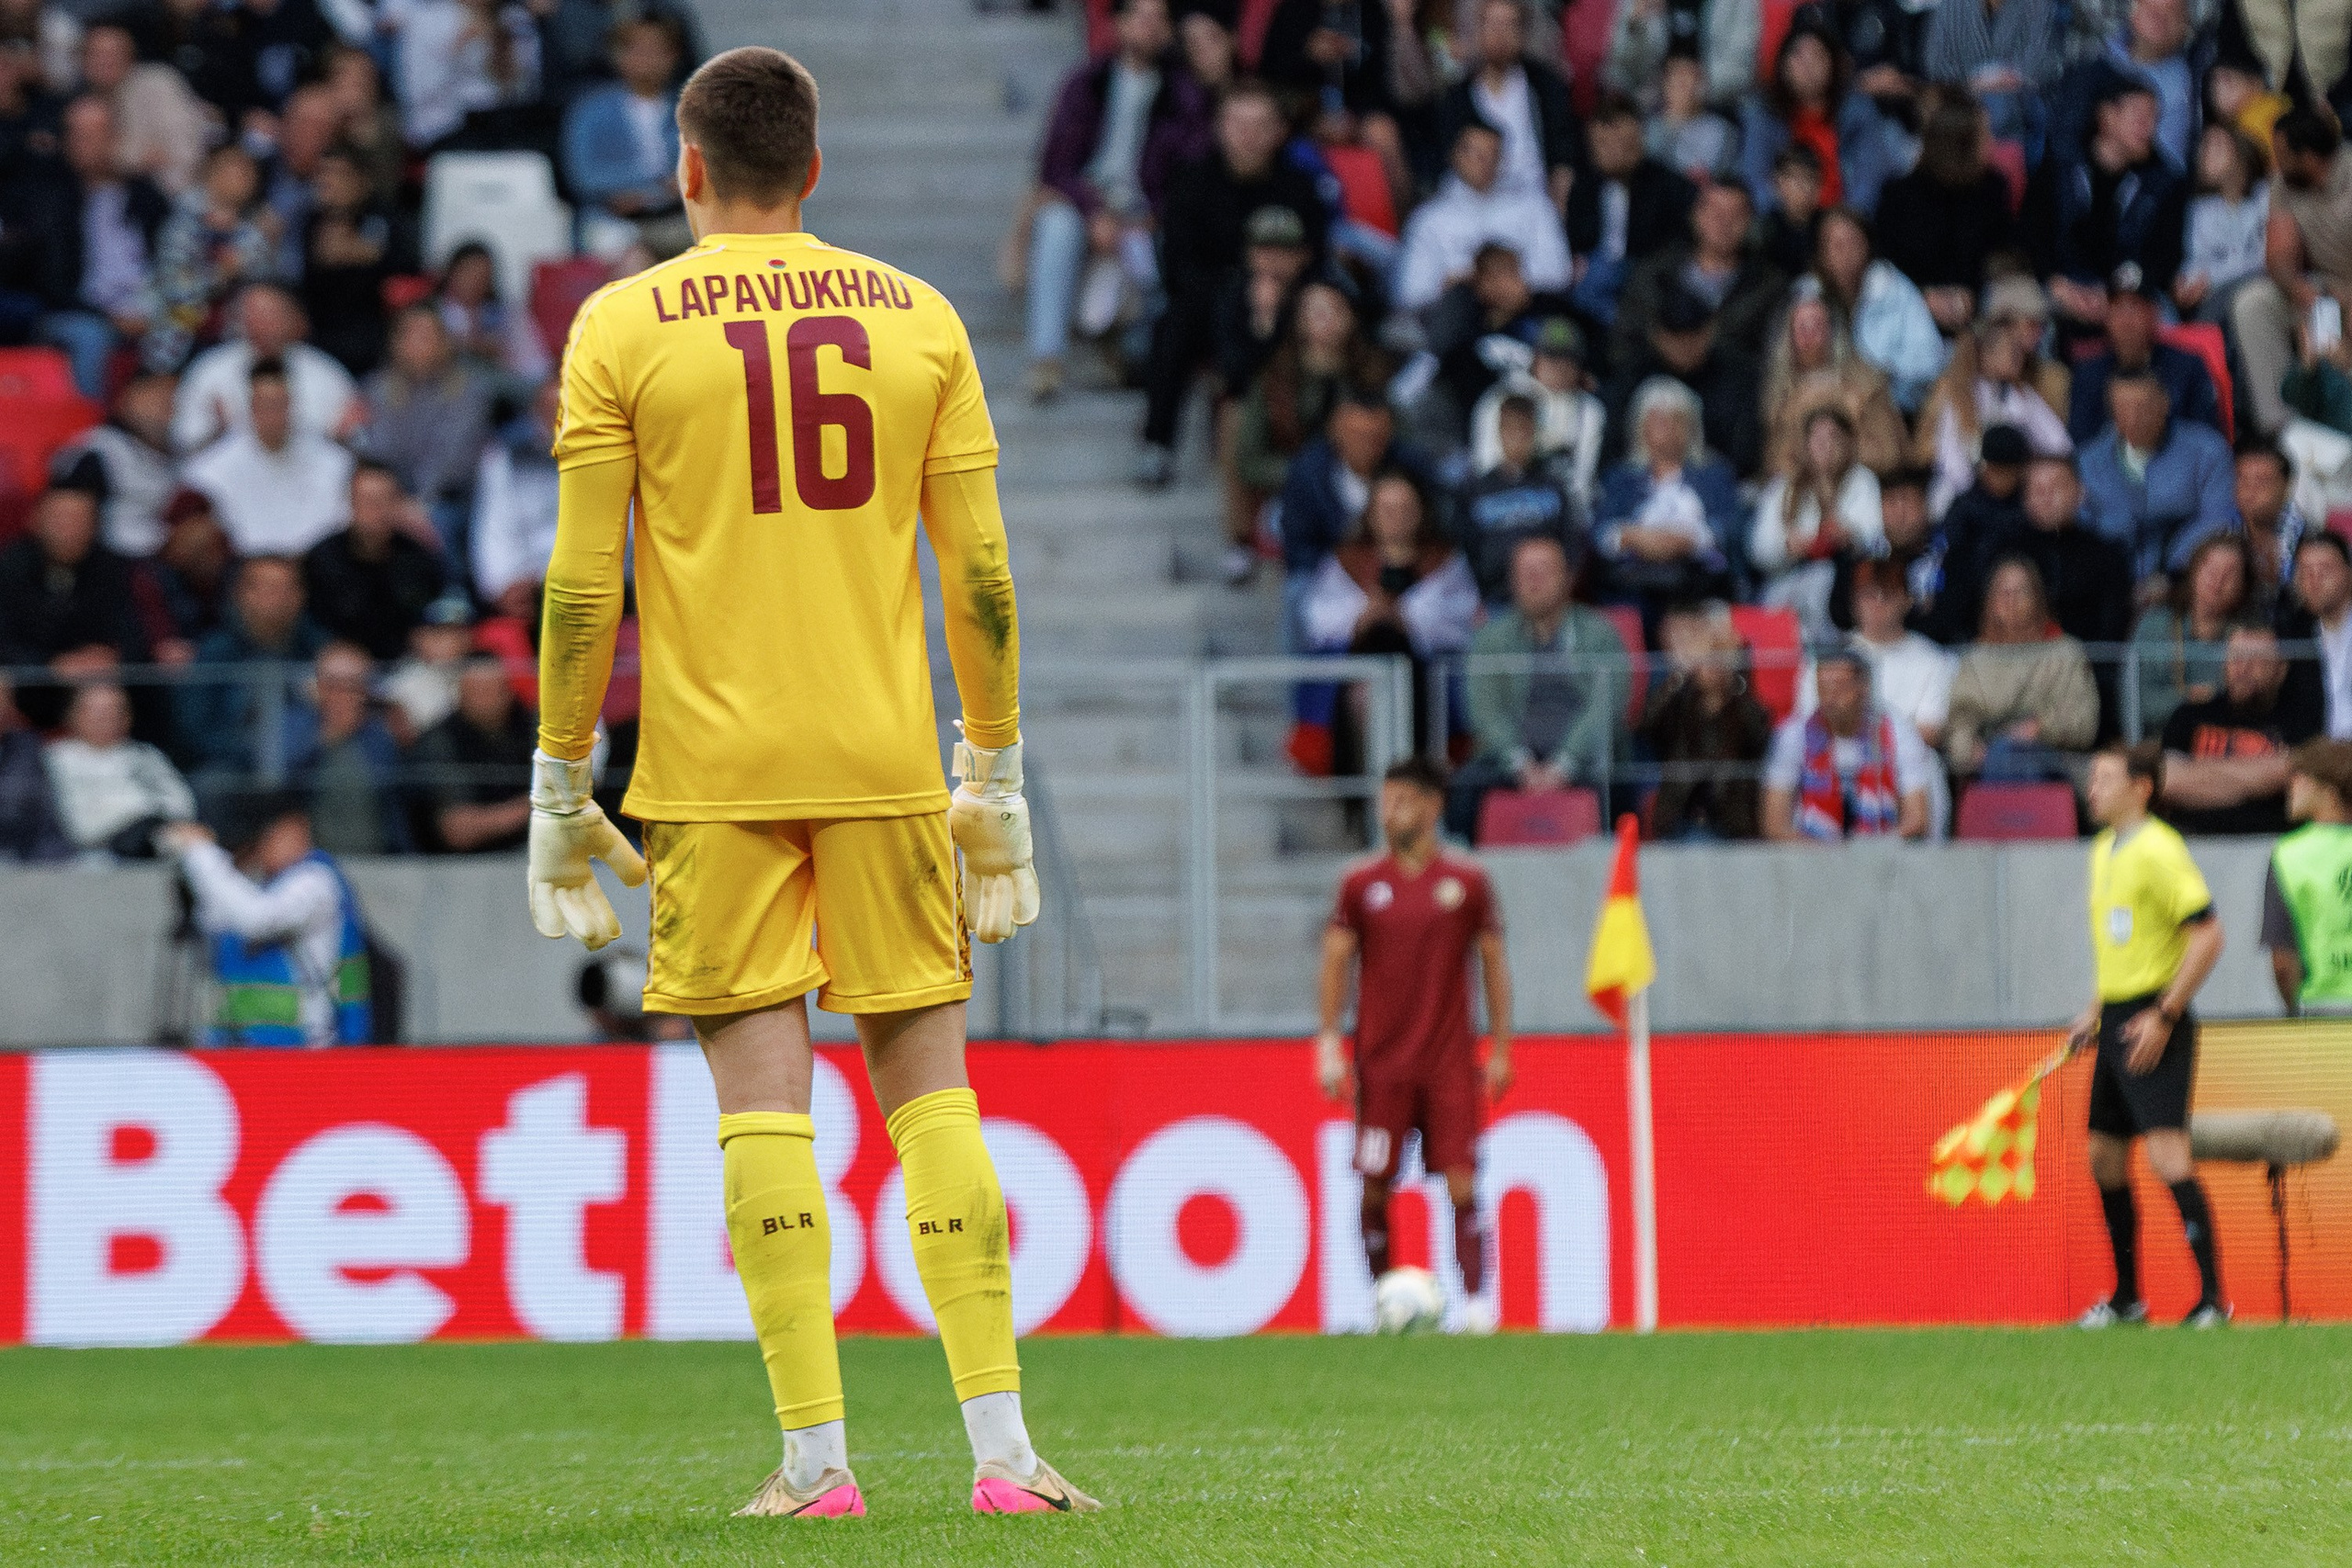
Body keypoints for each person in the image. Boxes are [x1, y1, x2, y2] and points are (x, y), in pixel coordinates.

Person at [526, 47, 1090, 1517]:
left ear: (688, 167)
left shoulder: (620, 327)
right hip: (886, 760)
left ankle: (816, 1461)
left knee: (762, 1110)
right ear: (816, 168)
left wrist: (556, 780)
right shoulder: (918, 318)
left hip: (712, 778)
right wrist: (999, 765)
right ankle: (1005, 1454)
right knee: (931, 1092)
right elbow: (977, 567)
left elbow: (584, 586)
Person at [1317, 755, 1512, 1335]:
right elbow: (1335, 960)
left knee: (1462, 1181)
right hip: (1382, 1065)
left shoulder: (1468, 883)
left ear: (1432, 807)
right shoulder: (1360, 885)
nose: (1388, 811)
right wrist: (1329, 1042)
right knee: (1374, 1185)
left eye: (1401, 800)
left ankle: (1477, 1307)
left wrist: (1500, 1046)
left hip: (1449, 1063)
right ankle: (1383, 1301)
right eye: (1384, 800)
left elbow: (1493, 962)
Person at [2071, 740, 2230, 1329]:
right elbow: (2123, 943)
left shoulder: (2161, 849)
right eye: (2091, 779)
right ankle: (2126, 1300)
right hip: (2116, 1016)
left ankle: (2214, 1300)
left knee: (2167, 1156)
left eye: (2106, 779)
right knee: (2103, 1157)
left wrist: (2165, 1014)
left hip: (2153, 1018)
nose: (2093, 789)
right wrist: (2096, 1008)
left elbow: (2208, 935)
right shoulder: (2101, 850)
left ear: (2142, 787)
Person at [1137, 80, 1324, 486]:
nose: (1248, 136)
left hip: (1285, 304)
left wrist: (1275, 291)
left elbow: (1315, 259)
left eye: (1260, 125)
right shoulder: (1191, 181)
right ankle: (1156, 443)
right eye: (1238, 124)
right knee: (1173, 324)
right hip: (1207, 304)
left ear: (1279, 132)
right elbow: (1177, 265)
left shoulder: (1299, 187)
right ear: (1220, 127)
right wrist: (1238, 293)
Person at [1021, 0, 1205, 403]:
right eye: (1139, 16)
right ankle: (1047, 357)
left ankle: (1131, 357)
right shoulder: (1086, 82)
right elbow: (1056, 164)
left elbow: (1191, 170)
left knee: (1153, 261)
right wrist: (1094, 212)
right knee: (1054, 227)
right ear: (1118, 23)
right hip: (1087, 203)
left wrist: (1153, 216)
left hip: (1147, 215)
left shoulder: (1183, 95)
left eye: (1158, 18)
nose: (1148, 27)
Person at [161, 795, 373, 1047]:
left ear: (296, 828)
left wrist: (201, 852)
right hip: (242, 1049)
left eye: (268, 835)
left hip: (304, 1053)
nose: (261, 847)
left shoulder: (317, 881)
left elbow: (258, 919)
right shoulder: (262, 884)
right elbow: (213, 922)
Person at [1452, 535, 1628, 838]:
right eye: (1525, 573)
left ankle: (1619, 869)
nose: (1534, 581)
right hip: (1511, 757)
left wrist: (1565, 764)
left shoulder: (1599, 634)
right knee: (1466, 786)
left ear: (1568, 578)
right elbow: (1485, 712)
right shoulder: (1491, 639)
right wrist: (1519, 763)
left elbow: (1606, 705)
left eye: (1544, 571)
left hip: (1585, 755)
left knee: (1624, 780)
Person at [11, 93, 167, 399]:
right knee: (89, 336)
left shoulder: (147, 196)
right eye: (75, 133)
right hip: (79, 314)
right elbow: (52, 284)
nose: (82, 142)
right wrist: (109, 317)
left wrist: (155, 313)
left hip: (148, 310)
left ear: (115, 138)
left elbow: (172, 261)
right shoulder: (48, 199)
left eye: (93, 134)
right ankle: (93, 435)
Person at [2233, 108, 2352, 437]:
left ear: (2309, 157)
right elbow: (2279, 257)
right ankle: (2281, 429)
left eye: (2281, 154)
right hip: (2325, 289)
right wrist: (2304, 292)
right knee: (2253, 302)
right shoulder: (2283, 185)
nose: (2275, 161)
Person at [1591, 374, 1741, 619]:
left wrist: (1688, 540)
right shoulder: (1621, 478)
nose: (1667, 428)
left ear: (1691, 426)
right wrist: (1633, 537)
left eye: (1676, 419)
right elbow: (1600, 533)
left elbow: (1730, 528)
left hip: (1699, 580)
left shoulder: (1713, 473)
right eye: (1657, 419)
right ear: (1641, 425)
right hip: (1634, 582)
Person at [1947, 555, 2104, 784]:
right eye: (2003, 592)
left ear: (2038, 598)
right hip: (1989, 763)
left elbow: (2083, 722)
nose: (2011, 600)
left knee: (2013, 754)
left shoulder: (2065, 652)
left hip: (2054, 761)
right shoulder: (1975, 658)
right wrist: (1968, 750)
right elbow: (1960, 721)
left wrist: (2039, 728)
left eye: (2021, 592)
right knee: (2003, 753)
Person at [1393, 117, 1569, 313]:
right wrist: (1470, 284)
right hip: (1455, 320)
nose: (1484, 162)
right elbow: (1410, 294)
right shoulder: (1428, 220)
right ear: (1455, 155)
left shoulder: (1533, 205)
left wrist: (1504, 283)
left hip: (1527, 312)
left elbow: (1558, 273)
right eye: (1476, 153)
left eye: (1492, 154)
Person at [183, 359, 357, 558]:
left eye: (279, 404)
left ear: (291, 404)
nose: (272, 413)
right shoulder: (209, 469)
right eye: (264, 404)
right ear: (251, 406)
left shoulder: (335, 463)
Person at [2077, 371, 2238, 586]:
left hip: (2186, 577)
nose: (2132, 418)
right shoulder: (2089, 461)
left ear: (2165, 404)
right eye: (2122, 409)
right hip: (2109, 582)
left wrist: (2171, 573)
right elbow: (2082, 525)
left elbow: (2217, 518)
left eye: (2141, 408)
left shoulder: (2207, 450)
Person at [2157, 623, 2322, 834]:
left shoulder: (2300, 719)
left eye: (2256, 660)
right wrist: (2263, 776)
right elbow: (2167, 782)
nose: (2243, 668)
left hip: (2272, 840)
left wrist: (2197, 775)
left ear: (2281, 670)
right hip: (2193, 841)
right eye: (2236, 658)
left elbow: (2293, 773)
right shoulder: (2190, 715)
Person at [1874, 92, 2019, 329]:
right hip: (1912, 308)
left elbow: (2001, 250)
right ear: (1959, 143)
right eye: (1984, 135)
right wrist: (1925, 296)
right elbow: (1890, 263)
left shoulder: (1993, 187)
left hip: (1979, 304)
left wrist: (1970, 292)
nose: (1993, 142)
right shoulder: (1899, 196)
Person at [1761, 644, 1934, 840]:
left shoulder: (1896, 731)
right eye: (1823, 688)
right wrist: (1824, 857)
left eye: (1840, 687)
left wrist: (1871, 851)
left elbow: (1917, 819)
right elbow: (1774, 824)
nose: (1831, 697)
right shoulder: (1794, 735)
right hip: (1810, 856)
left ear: (1864, 688)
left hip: (1881, 856)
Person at [1612, 178, 1784, 371]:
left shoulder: (1768, 286)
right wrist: (1663, 344)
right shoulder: (1657, 271)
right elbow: (1626, 334)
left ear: (1750, 222)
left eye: (1735, 215)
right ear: (1696, 215)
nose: (1724, 223)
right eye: (1715, 212)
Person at [1737, 20, 1904, 220]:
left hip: (1843, 221)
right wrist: (1784, 215)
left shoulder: (1859, 111)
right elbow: (1753, 178)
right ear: (1783, 63)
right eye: (1798, 55)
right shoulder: (1764, 115)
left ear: (1832, 64)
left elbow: (1869, 178)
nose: (1807, 65)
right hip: (1782, 222)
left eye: (1817, 56)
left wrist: (1845, 221)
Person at [171, 283, 363, 453]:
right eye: (251, 313)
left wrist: (340, 439)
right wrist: (218, 434)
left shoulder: (326, 373)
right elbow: (184, 441)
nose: (259, 323)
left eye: (269, 314)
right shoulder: (210, 369)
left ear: (295, 319)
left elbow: (357, 443)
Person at [358, 305, 492, 547]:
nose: (419, 342)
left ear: (445, 342)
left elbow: (453, 459)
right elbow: (378, 452)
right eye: (411, 334)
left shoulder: (470, 390)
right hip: (392, 497)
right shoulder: (377, 388)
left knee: (432, 523)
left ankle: (451, 585)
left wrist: (418, 503)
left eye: (428, 334)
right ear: (395, 343)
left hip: (452, 499)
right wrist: (393, 502)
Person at [1749, 405, 1883, 638]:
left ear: (1849, 443)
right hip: (1790, 580)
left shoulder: (1863, 481)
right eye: (1818, 437)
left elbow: (1877, 540)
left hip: (1844, 582)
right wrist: (1787, 545)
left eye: (1834, 437)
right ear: (1805, 443)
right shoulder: (1783, 488)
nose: (1826, 445)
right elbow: (1759, 550)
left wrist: (1851, 536)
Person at [561, 14, 690, 257]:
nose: (646, 59)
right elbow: (583, 175)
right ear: (618, 55)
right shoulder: (591, 109)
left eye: (656, 50)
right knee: (631, 256)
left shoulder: (690, 108)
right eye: (637, 50)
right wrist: (656, 182)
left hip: (677, 216)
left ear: (673, 56)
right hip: (610, 218)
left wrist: (664, 191)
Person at [1641, 604, 1773, 840]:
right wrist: (1681, 673)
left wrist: (1737, 674)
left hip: (1732, 825)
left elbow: (1759, 735)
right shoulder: (1680, 703)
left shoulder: (1741, 704)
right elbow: (1648, 724)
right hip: (1680, 821)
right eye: (1707, 656)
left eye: (1719, 656)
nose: (1712, 664)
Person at [1916, 321, 2074, 517]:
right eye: (2012, 351)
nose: (2020, 357)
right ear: (1986, 355)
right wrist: (1979, 492)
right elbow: (1950, 460)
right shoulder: (1959, 395)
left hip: (2014, 489)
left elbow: (2058, 443)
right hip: (1963, 495)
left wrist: (2025, 471)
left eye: (2019, 351)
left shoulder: (2020, 394)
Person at [1565, 90, 1696, 326]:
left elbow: (1676, 245)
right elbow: (1574, 237)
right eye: (1603, 145)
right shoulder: (1584, 186)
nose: (1614, 153)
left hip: (1645, 272)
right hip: (1596, 275)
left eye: (1624, 144)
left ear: (1640, 139)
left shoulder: (1670, 186)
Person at [304, 461, 447, 662]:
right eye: (368, 501)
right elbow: (309, 623)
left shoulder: (418, 558)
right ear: (351, 502)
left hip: (407, 663)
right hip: (338, 665)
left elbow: (437, 612)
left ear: (398, 503)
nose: (376, 510)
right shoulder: (322, 558)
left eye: (384, 500)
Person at [1808, 209, 1946, 413]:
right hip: (1822, 407)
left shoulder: (1894, 288)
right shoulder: (1807, 296)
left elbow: (1929, 361)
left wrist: (1886, 373)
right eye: (1837, 245)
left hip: (1889, 408)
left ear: (1868, 246)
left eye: (1853, 243)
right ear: (1822, 253)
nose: (1846, 253)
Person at [2066, 270, 2223, 443]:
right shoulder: (2088, 373)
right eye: (2118, 308)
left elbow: (2207, 438)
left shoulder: (2187, 366)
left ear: (2154, 314)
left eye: (2135, 307)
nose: (2126, 319)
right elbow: (2082, 445)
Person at [1761, 292, 1905, 479]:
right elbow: (1777, 466)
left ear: (1832, 332)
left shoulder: (1866, 387)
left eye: (1817, 326)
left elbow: (1888, 456)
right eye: (1802, 327)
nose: (1810, 336)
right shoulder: (1781, 400)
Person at [282, 641, 408, 855]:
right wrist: (327, 738)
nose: (343, 695)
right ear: (318, 687)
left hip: (378, 858)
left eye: (353, 686)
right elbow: (281, 785)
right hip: (312, 863)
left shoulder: (378, 733)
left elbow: (395, 802)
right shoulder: (294, 725)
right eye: (333, 685)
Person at [42, 680, 195, 858]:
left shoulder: (145, 754)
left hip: (157, 841)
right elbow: (82, 826)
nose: (105, 718)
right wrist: (139, 813)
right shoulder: (56, 759)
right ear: (72, 715)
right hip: (89, 855)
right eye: (96, 711)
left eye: (113, 710)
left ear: (128, 716)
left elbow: (181, 804)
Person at [1457, 393, 1577, 602]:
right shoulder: (1475, 490)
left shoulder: (1553, 486)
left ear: (1534, 431)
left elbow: (1571, 542)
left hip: (1547, 598)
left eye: (1524, 429)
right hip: (1494, 596)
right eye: (1510, 428)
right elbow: (1466, 548)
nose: (1517, 437)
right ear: (1499, 431)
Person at [408, 653, 534, 853]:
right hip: (457, 867)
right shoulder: (440, 741)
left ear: (508, 692)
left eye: (491, 691)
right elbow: (457, 831)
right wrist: (532, 807)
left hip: (532, 855)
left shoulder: (532, 728)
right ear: (459, 694)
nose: (484, 701)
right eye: (476, 692)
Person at [2262, 739, 2352, 1011]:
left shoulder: (2289, 855)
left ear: (2327, 789)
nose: (2291, 786)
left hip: (2324, 1008)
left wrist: (2293, 1010)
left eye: (2298, 776)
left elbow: (2283, 962)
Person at [2132, 533, 2254, 733]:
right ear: (2194, 569)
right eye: (2210, 567)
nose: (2217, 579)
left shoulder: (2250, 637)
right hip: (2161, 746)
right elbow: (2141, 705)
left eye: (2230, 573)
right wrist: (2191, 698)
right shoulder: (2154, 626)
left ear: (2244, 586)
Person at [50, 370, 179, 558]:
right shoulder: (99, 450)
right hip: (112, 559)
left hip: (162, 554)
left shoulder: (180, 454)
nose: (162, 402)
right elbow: (69, 520)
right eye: (151, 393)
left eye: (170, 394)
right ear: (124, 400)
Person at [2176, 123, 2272, 326]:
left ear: (2240, 152)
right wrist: (2187, 282)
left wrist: (2210, 279)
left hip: (2260, 286)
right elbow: (2196, 261)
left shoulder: (2266, 196)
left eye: (2217, 145)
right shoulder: (2199, 210)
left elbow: (2265, 257)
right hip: (2215, 297)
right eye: (2205, 146)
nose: (2207, 152)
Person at [2289, 532, 2352, 737]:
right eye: (2306, 571)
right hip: (2318, 751)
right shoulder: (2293, 633)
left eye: (2325, 570)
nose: (2314, 581)